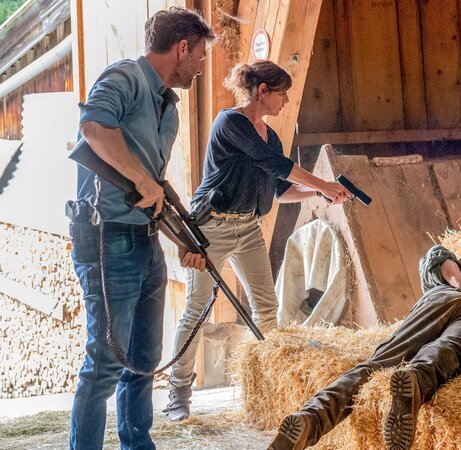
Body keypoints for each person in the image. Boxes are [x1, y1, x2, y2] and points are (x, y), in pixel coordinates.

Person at [162, 61, 351, 421]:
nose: (285, 100)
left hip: (248, 229)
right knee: (197, 309)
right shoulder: (230, 123)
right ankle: (179, 392)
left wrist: (318, 194)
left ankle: (266, 388)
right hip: (212, 227)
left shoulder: (272, 137)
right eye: (282, 93)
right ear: (262, 91)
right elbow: (277, 165)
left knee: (266, 307)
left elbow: (280, 190)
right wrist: (323, 184)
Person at [67, 8, 214, 449]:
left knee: (144, 361)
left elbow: (153, 190)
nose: (201, 65)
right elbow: (94, 126)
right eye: (200, 55)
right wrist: (142, 179)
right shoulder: (125, 77)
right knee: (105, 365)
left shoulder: (167, 106)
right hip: (107, 237)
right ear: (182, 48)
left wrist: (183, 241)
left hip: (145, 241)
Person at [266, 245, 461, 450]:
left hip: (441, 299)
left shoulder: (460, 274)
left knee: (376, 364)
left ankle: (310, 418)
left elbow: (435, 254)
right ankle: (415, 378)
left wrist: (460, 283)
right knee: (447, 351)